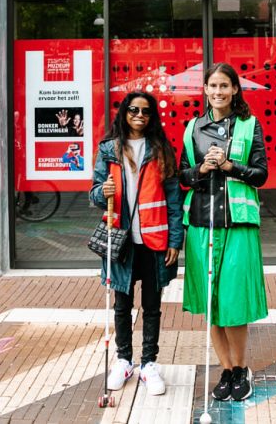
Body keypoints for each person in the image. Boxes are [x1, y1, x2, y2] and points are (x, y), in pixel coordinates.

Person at [179, 62, 269, 402]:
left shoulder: (249, 125)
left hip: (238, 223)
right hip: (202, 223)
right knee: (212, 300)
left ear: (234, 90)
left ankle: (242, 368)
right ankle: (227, 370)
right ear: (204, 90)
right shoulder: (193, 128)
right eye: (212, 86)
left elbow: (261, 175)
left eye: (224, 86)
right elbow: (182, 177)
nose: (218, 92)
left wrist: (231, 166)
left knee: (233, 300)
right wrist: (201, 169)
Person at [91, 91, 183, 397]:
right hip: (121, 240)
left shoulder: (161, 150)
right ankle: (124, 360)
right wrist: (100, 191)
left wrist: (175, 239)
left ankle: (149, 364)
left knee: (153, 306)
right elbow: (93, 194)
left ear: (152, 115)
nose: (139, 115)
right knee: (122, 304)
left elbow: (173, 197)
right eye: (133, 110)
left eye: (145, 111)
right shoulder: (108, 149)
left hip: (154, 240)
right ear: (124, 113)